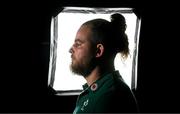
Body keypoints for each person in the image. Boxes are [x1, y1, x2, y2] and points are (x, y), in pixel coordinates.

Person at [69, 13, 139, 113]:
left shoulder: (109, 97)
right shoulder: (99, 90)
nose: (70, 50)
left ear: (98, 51)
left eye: (78, 44)